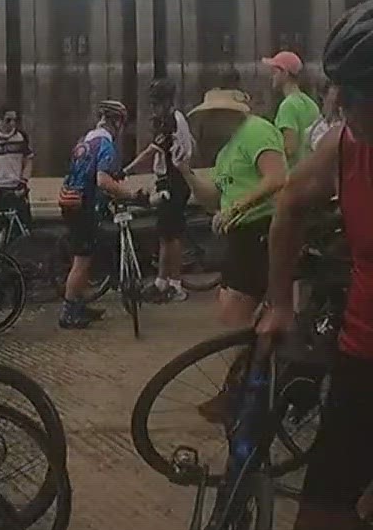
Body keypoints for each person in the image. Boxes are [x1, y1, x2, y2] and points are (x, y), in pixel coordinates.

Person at [258, 0, 373, 530]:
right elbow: (289, 210)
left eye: (363, 96)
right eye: (345, 95)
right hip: (363, 362)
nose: (348, 110)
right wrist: (278, 303)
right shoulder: (346, 148)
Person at [183, 88, 288, 328]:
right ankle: (251, 356)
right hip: (238, 234)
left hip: (261, 226)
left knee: (235, 310)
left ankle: (252, 358)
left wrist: (236, 208)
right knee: (228, 307)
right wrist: (185, 172)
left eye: (212, 116)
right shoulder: (226, 151)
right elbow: (213, 199)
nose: (208, 123)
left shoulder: (256, 130)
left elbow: (276, 177)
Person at [55, 100, 149, 329]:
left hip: (71, 202)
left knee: (86, 257)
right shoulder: (105, 144)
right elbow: (102, 180)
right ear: (116, 122)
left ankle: (79, 305)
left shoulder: (85, 140)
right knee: (82, 261)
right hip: (84, 208)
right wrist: (131, 195)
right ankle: (68, 313)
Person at [125, 78, 196, 304]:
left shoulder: (170, 122)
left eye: (156, 103)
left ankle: (175, 285)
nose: (153, 108)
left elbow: (150, 152)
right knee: (165, 235)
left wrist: (126, 170)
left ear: (165, 101)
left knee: (171, 236)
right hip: (169, 181)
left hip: (174, 182)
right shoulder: (176, 118)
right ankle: (161, 281)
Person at [265, 50, 321, 164]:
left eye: (274, 72)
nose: (271, 76)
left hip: (293, 174)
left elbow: (290, 148)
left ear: (285, 73)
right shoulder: (311, 104)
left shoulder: (288, 106)